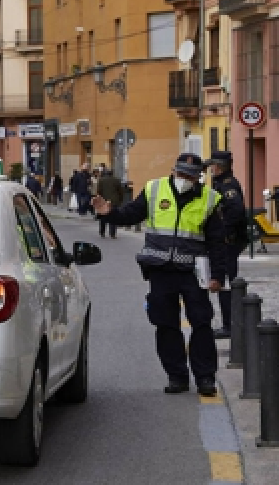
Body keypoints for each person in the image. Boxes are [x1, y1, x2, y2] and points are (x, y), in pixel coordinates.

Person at [92, 153, 231, 397]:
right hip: (160, 271)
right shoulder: (154, 189)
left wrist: (218, 276)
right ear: (173, 171)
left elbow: (218, 243)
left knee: (201, 323)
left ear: (198, 177)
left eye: (189, 176)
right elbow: (131, 215)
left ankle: (205, 377)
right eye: (180, 174)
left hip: (193, 273)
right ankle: (176, 376)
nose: (183, 179)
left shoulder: (210, 199)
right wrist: (108, 213)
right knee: (166, 325)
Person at [207, 151, 248, 339]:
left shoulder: (228, 185)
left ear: (219, 166)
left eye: (212, 166)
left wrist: (223, 232)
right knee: (225, 284)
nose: (210, 170)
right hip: (228, 241)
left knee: (226, 285)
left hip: (228, 242)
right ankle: (229, 324)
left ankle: (230, 326)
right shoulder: (220, 183)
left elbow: (236, 210)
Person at [95, 168, 124, 239]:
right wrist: (120, 200)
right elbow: (120, 191)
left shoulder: (101, 180)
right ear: (112, 173)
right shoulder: (116, 180)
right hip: (114, 202)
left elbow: (98, 191)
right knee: (113, 217)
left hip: (104, 202)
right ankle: (112, 234)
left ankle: (102, 232)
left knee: (103, 218)